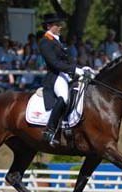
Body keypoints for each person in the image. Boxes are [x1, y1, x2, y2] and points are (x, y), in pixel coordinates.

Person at [38, 13, 91, 146]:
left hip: (65, 74)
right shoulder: (45, 41)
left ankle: (69, 125)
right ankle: (50, 130)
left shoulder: (57, 41)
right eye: (58, 25)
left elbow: (67, 61)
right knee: (64, 97)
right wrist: (74, 70)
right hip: (55, 76)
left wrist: (81, 68)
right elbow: (54, 63)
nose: (60, 27)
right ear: (50, 26)